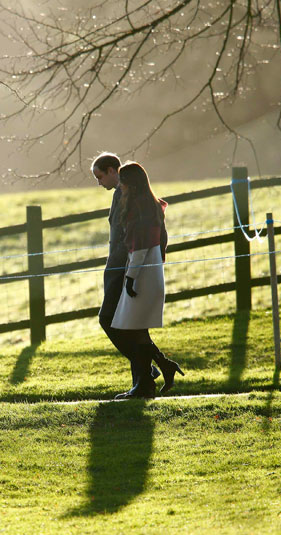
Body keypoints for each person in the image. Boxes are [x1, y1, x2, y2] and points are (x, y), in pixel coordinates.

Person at [91, 153, 170, 399]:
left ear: (114, 171)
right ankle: (147, 377)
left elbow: (138, 238)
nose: (99, 182)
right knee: (133, 327)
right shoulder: (131, 196)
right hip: (123, 267)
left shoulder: (132, 198)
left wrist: (134, 271)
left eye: (100, 176)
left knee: (112, 320)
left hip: (125, 268)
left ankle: (148, 373)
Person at [109, 161, 184, 399]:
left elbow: (139, 248)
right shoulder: (150, 206)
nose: (120, 186)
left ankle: (145, 382)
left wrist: (130, 278)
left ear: (130, 183)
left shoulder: (139, 209)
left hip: (141, 274)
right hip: (149, 272)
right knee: (136, 329)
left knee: (130, 327)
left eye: (122, 181)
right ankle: (161, 367)